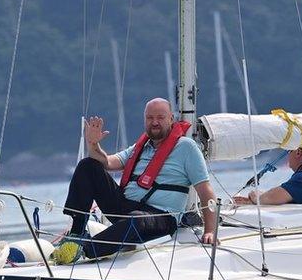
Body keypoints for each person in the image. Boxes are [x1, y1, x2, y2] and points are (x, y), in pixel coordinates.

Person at [57, 98, 217, 263]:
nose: (154, 122)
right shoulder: (140, 148)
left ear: (171, 119)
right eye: (150, 118)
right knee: (88, 165)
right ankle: (76, 233)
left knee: (135, 220)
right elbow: (107, 162)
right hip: (126, 208)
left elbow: (205, 191)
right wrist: (93, 144)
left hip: (160, 216)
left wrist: (210, 231)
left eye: (160, 117)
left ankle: (84, 250)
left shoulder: (186, 148)